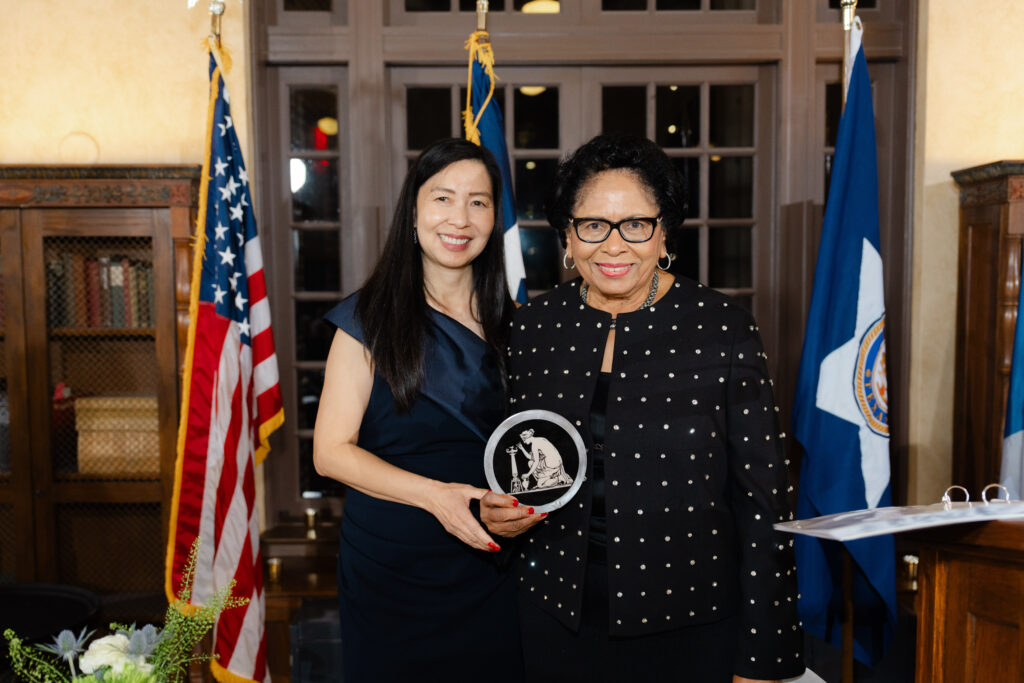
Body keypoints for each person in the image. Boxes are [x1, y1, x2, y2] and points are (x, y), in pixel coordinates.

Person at [481, 133, 804, 682]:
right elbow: (506, 457)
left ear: (663, 233)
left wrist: (763, 659)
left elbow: (764, 504)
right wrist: (495, 514)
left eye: (635, 224)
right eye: (592, 226)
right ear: (567, 234)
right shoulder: (532, 327)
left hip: (690, 625)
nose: (613, 246)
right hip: (552, 620)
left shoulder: (722, 328)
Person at [313, 137, 521, 681]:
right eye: (443, 197)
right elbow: (330, 454)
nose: (460, 217)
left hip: (490, 564)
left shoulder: (514, 323)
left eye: (478, 201)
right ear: (414, 209)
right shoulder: (367, 319)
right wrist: (436, 498)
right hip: (392, 569)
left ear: (495, 218)